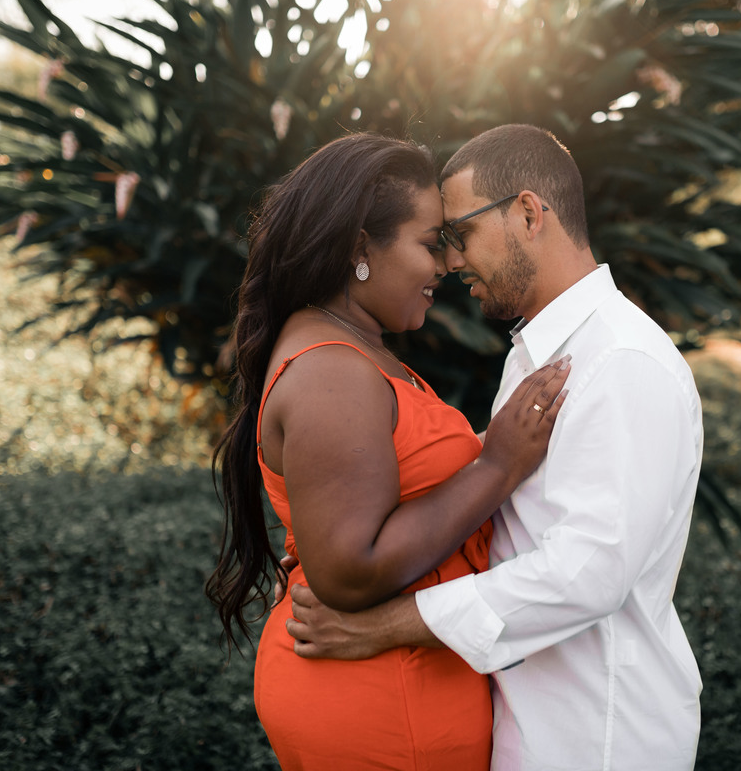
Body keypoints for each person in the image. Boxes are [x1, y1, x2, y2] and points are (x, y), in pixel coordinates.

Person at [285, 124, 705, 770]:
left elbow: (587, 572)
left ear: (529, 214)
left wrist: (382, 624)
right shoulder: (540, 352)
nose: (450, 262)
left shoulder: (622, 361)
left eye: (460, 234)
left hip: (595, 736)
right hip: (532, 721)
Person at [205, 132, 570, 770]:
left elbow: (378, 494)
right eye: (430, 244)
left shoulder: (350, 350)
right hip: (383, 707)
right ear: (358, 250)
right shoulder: (332, 371)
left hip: (392, 688)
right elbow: (351, 568)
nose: (446, 264)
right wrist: (497, 464)